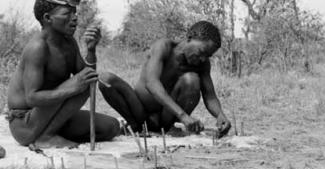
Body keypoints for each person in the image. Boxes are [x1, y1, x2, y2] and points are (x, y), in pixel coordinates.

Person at [7, 0, 120, 148]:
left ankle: (52, 132)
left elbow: (87, 75)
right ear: (47, 18)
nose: (75, 18)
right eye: (67, 14)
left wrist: (91, 50)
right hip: (26, 124)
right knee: (84, 82)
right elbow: (32, 98)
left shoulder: (69, 43)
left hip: (53, 114)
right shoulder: (37, 48)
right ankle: (46, 137)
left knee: (111, 127)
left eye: (74, 13)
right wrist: (72, 88)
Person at [98, 21, 231, 138]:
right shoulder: (164, 47)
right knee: (106, 79)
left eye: (208, 56)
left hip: (166, 119)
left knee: (191, 79)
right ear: (189, 37)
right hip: (139, 111)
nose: (202, 58)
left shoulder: (203, 64)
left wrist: (220, 115)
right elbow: (151, 83)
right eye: (201, 51)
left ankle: (169, 128)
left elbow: (210, 96)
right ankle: (134, 125)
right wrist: (184, 115)